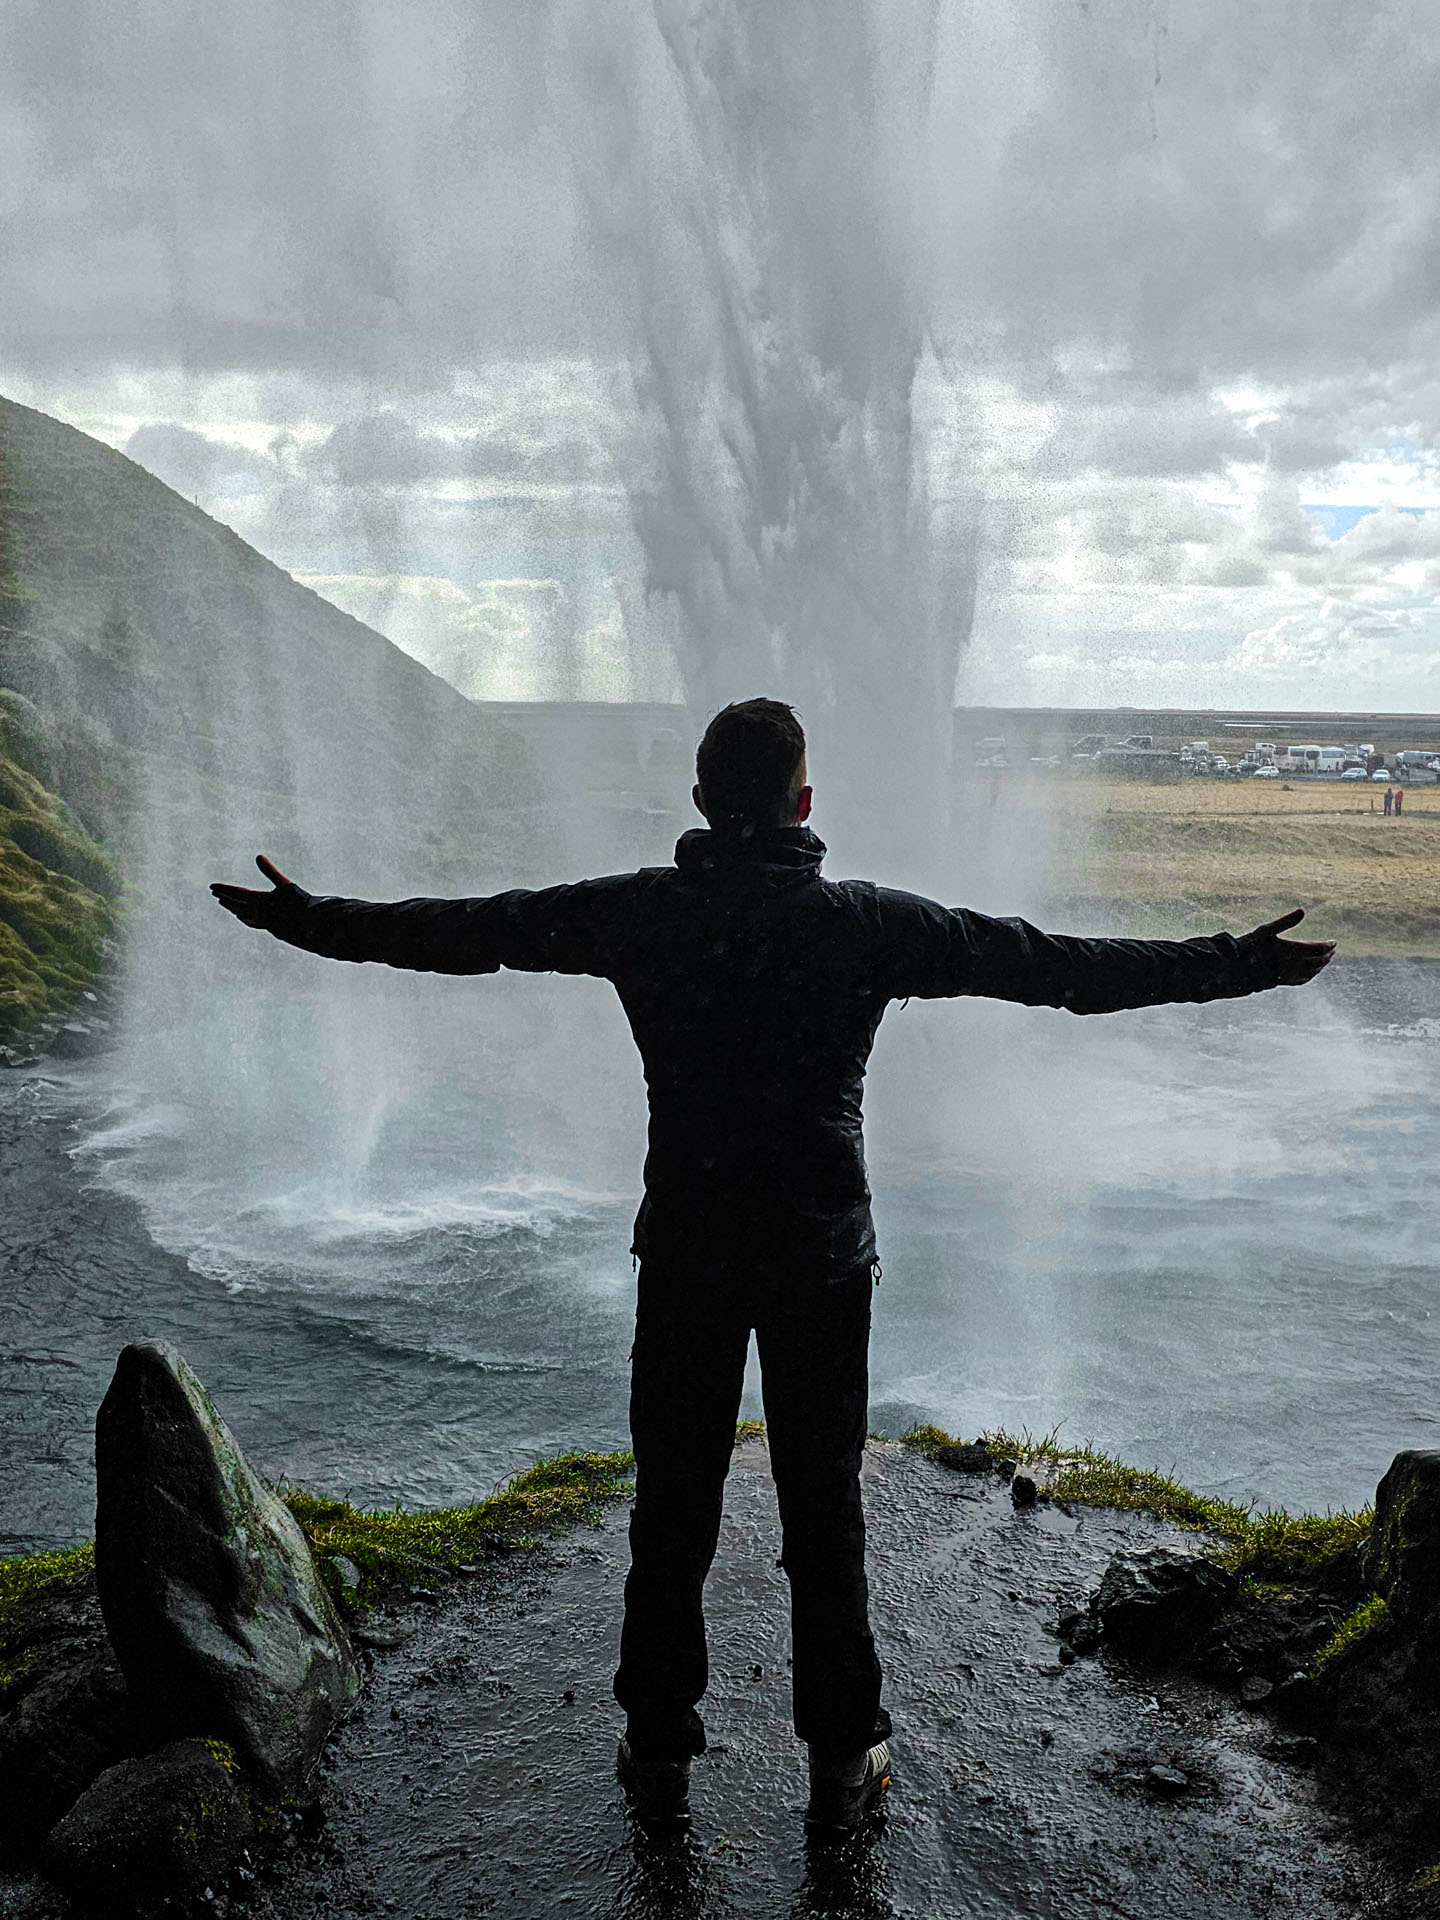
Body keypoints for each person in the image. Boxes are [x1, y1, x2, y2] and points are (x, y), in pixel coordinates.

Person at [211, 697, 1335, 1834]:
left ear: (702, 802)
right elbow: (1055, 967)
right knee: (823, 1507)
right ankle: (844, 1756)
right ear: (804, 803)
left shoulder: (638, 914)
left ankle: (657, 1745)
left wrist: (311, 920)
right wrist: (1232, 966)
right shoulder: (863, 924)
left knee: (674, 1506)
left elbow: (467, 931)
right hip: (820, 1261)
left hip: (689, 1253)